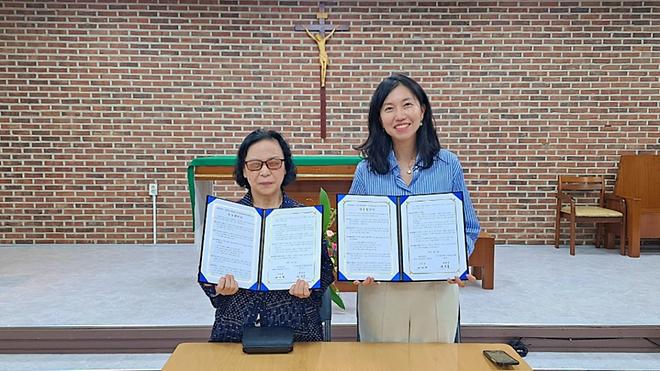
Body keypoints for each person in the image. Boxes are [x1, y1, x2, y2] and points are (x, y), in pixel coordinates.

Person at [350, 73, 480, 343]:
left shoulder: (448, 165)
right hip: (380, 291)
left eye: (407, 104)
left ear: (422, 111)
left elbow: (469, 227)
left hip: (435, 288)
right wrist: (357, 265)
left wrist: (457, 262)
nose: (399, 115)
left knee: (435, 362)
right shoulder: (365, 171)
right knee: (381, 364)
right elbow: (354, 231)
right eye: (389, 108)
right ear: (379, 119)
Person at [199, 129, 334, 342]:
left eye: (273, 163)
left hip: (297, 328)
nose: (264, 172)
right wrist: (218, 288)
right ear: (243, 170)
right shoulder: (226, 218)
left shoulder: (304, 218)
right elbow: (208, 276)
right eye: (255, 164)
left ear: (285, 166)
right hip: (235, 330)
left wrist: (310, 289)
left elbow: (326, 270)